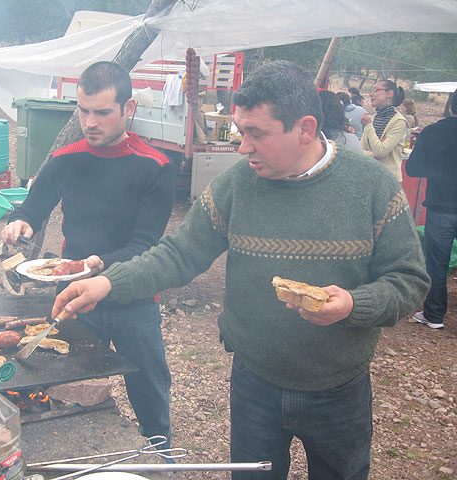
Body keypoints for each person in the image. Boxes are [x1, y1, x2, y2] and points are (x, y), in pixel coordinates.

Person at [51, 60, 430, 480]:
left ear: (305, 129)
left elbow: (409, 281)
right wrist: (109, 281)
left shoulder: (372, 187)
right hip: (255, 383)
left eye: (257, 134)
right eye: (239, 131)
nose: (243, 147)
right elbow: (179, 253)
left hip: (339, 388)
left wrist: (353, 304)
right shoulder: (236, 186)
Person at [1, 61, 176, 447]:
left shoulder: (156, 167)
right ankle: (67, 452)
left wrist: (99, 264)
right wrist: (21, 223)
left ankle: (162, 459)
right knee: (63, 386)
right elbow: (32, 207)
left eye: (102, 112)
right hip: (75, 296)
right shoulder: (66, 158)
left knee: (149, 390)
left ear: (128, 109)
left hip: (134, 298)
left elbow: (145, 245)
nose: (90, 122)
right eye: (83, 111)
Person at [405, 89, 457, 330]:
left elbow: (413, 169)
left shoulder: (433, 132)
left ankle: (434, 315)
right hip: (441, 207)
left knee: (437, 263)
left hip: (441, 207)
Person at [360, 80, 408, 182]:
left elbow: (381, 152)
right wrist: (374, 155)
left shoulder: (399, 122)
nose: (371, 94)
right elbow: (360, 151)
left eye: (376, 90)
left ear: (389, 94)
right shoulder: (372, 118)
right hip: (370, 178)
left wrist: (368, 126)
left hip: (388, 182)